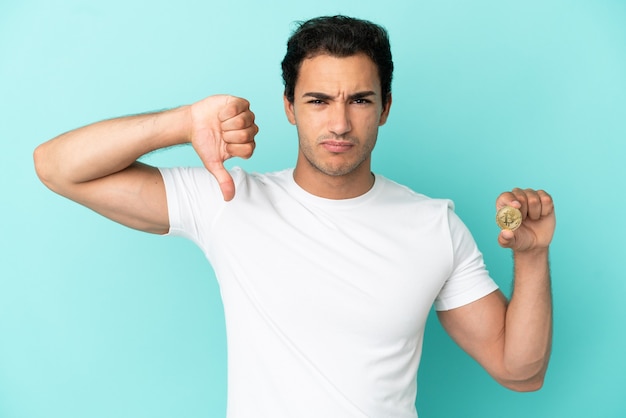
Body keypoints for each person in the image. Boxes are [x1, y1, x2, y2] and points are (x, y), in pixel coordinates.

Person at [33, 15, 555, 418]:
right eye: (318, 99)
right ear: (289, 106)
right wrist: (181, 123)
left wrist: (531, 257)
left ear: (385, 107)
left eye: (360, 100)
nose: (339, 123)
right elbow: (57, 168)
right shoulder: (228, 199)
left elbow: (520, 371)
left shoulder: (433, 225)